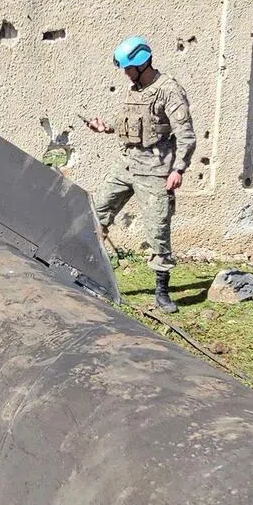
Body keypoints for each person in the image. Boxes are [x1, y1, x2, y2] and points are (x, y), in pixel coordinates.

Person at [86, 36, 196, 314]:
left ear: (141, 63)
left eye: (127, 68)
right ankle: (89, 271)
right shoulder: (135, 89)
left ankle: (161, 291)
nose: (124, 73)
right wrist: (105, 126)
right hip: (126, 164)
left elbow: (186, 136)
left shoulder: (168, 90)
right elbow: (128, 123)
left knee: (158, 230)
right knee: (96, 211)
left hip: (156, 169)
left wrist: (178, 169)